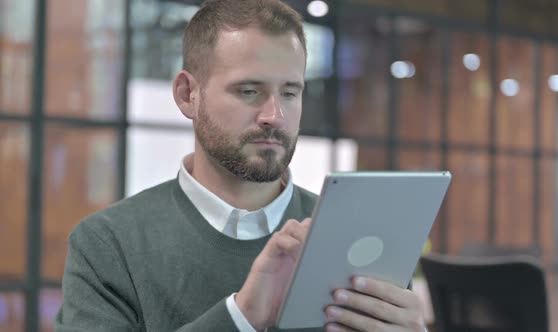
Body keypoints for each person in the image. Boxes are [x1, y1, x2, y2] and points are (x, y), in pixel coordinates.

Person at [55, 0, 427, 331]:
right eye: (249, 91)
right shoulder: (108, 245)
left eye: (290, 92)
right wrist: (242, 315)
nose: (274, 115)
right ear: (188, 95)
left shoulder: (354, 238)